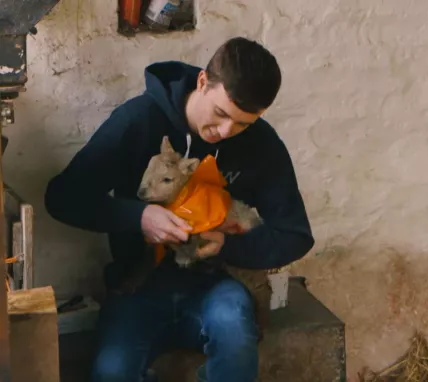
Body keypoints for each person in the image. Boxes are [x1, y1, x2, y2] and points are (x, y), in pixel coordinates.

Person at [44, 37, 315, 382]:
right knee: (112, 371)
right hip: (137, 287)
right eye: (220, 113)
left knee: (234, 330)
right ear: (203, 82)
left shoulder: (262, 144)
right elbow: (63, 197)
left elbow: (295, 236)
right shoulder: (139, 120)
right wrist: (138, 217)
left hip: (216, 286)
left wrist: (226, 245)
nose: (225, 132)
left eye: (243, 124)